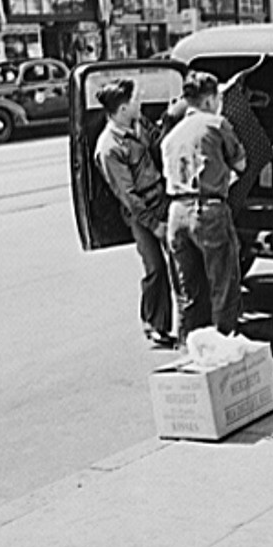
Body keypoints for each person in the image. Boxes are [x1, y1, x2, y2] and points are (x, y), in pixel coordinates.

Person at [161, 71, 247, 345]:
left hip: (176, 213)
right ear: (210, 100)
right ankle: (222, 350)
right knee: (223, 287)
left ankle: (188, 352)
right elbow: (241, 163)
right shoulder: (216, 124)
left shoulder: (171, 136)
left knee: (188, 293)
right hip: (208, 211)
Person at [94, 78, 176, 348]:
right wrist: (155, 226)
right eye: (135, 100)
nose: (140, 102)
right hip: (141, 212)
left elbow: (159, 143)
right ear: (121, 110)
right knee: (155, 268)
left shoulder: (139, 125)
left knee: (183, 263)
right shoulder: (109, 148)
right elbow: (128, 197)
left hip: (162, 197)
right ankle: (154, 324)